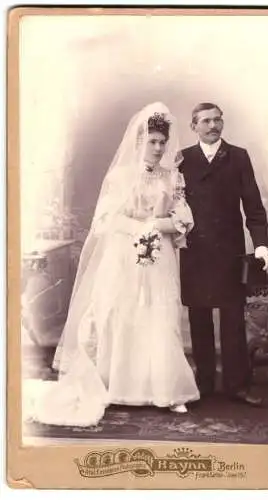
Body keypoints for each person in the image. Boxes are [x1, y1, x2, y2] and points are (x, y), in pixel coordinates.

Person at [24, 102, 200, 427]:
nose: (159, 148)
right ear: (139, 142)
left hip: (159, 257)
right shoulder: (121, 177)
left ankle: (167, 390)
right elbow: (106, 219)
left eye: (162, 142)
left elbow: (183, 216)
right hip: (123, 255)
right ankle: (117, 385)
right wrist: (140, 229)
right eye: (152, 141)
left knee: (159, 314)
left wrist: (164, 226)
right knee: (123, 313)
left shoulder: (173, 177)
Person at [179, 102, 268, 406]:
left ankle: (237, 385)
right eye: (206, 121)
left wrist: (260, 244)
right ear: (193, 126)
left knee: (233, 318)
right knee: (199, 318)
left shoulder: (238, 157)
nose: (213, 126)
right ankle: (204, 383)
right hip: (195, 250)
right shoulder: (183, 159)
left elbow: (254, 207)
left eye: (217, 120)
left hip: (229, 251)